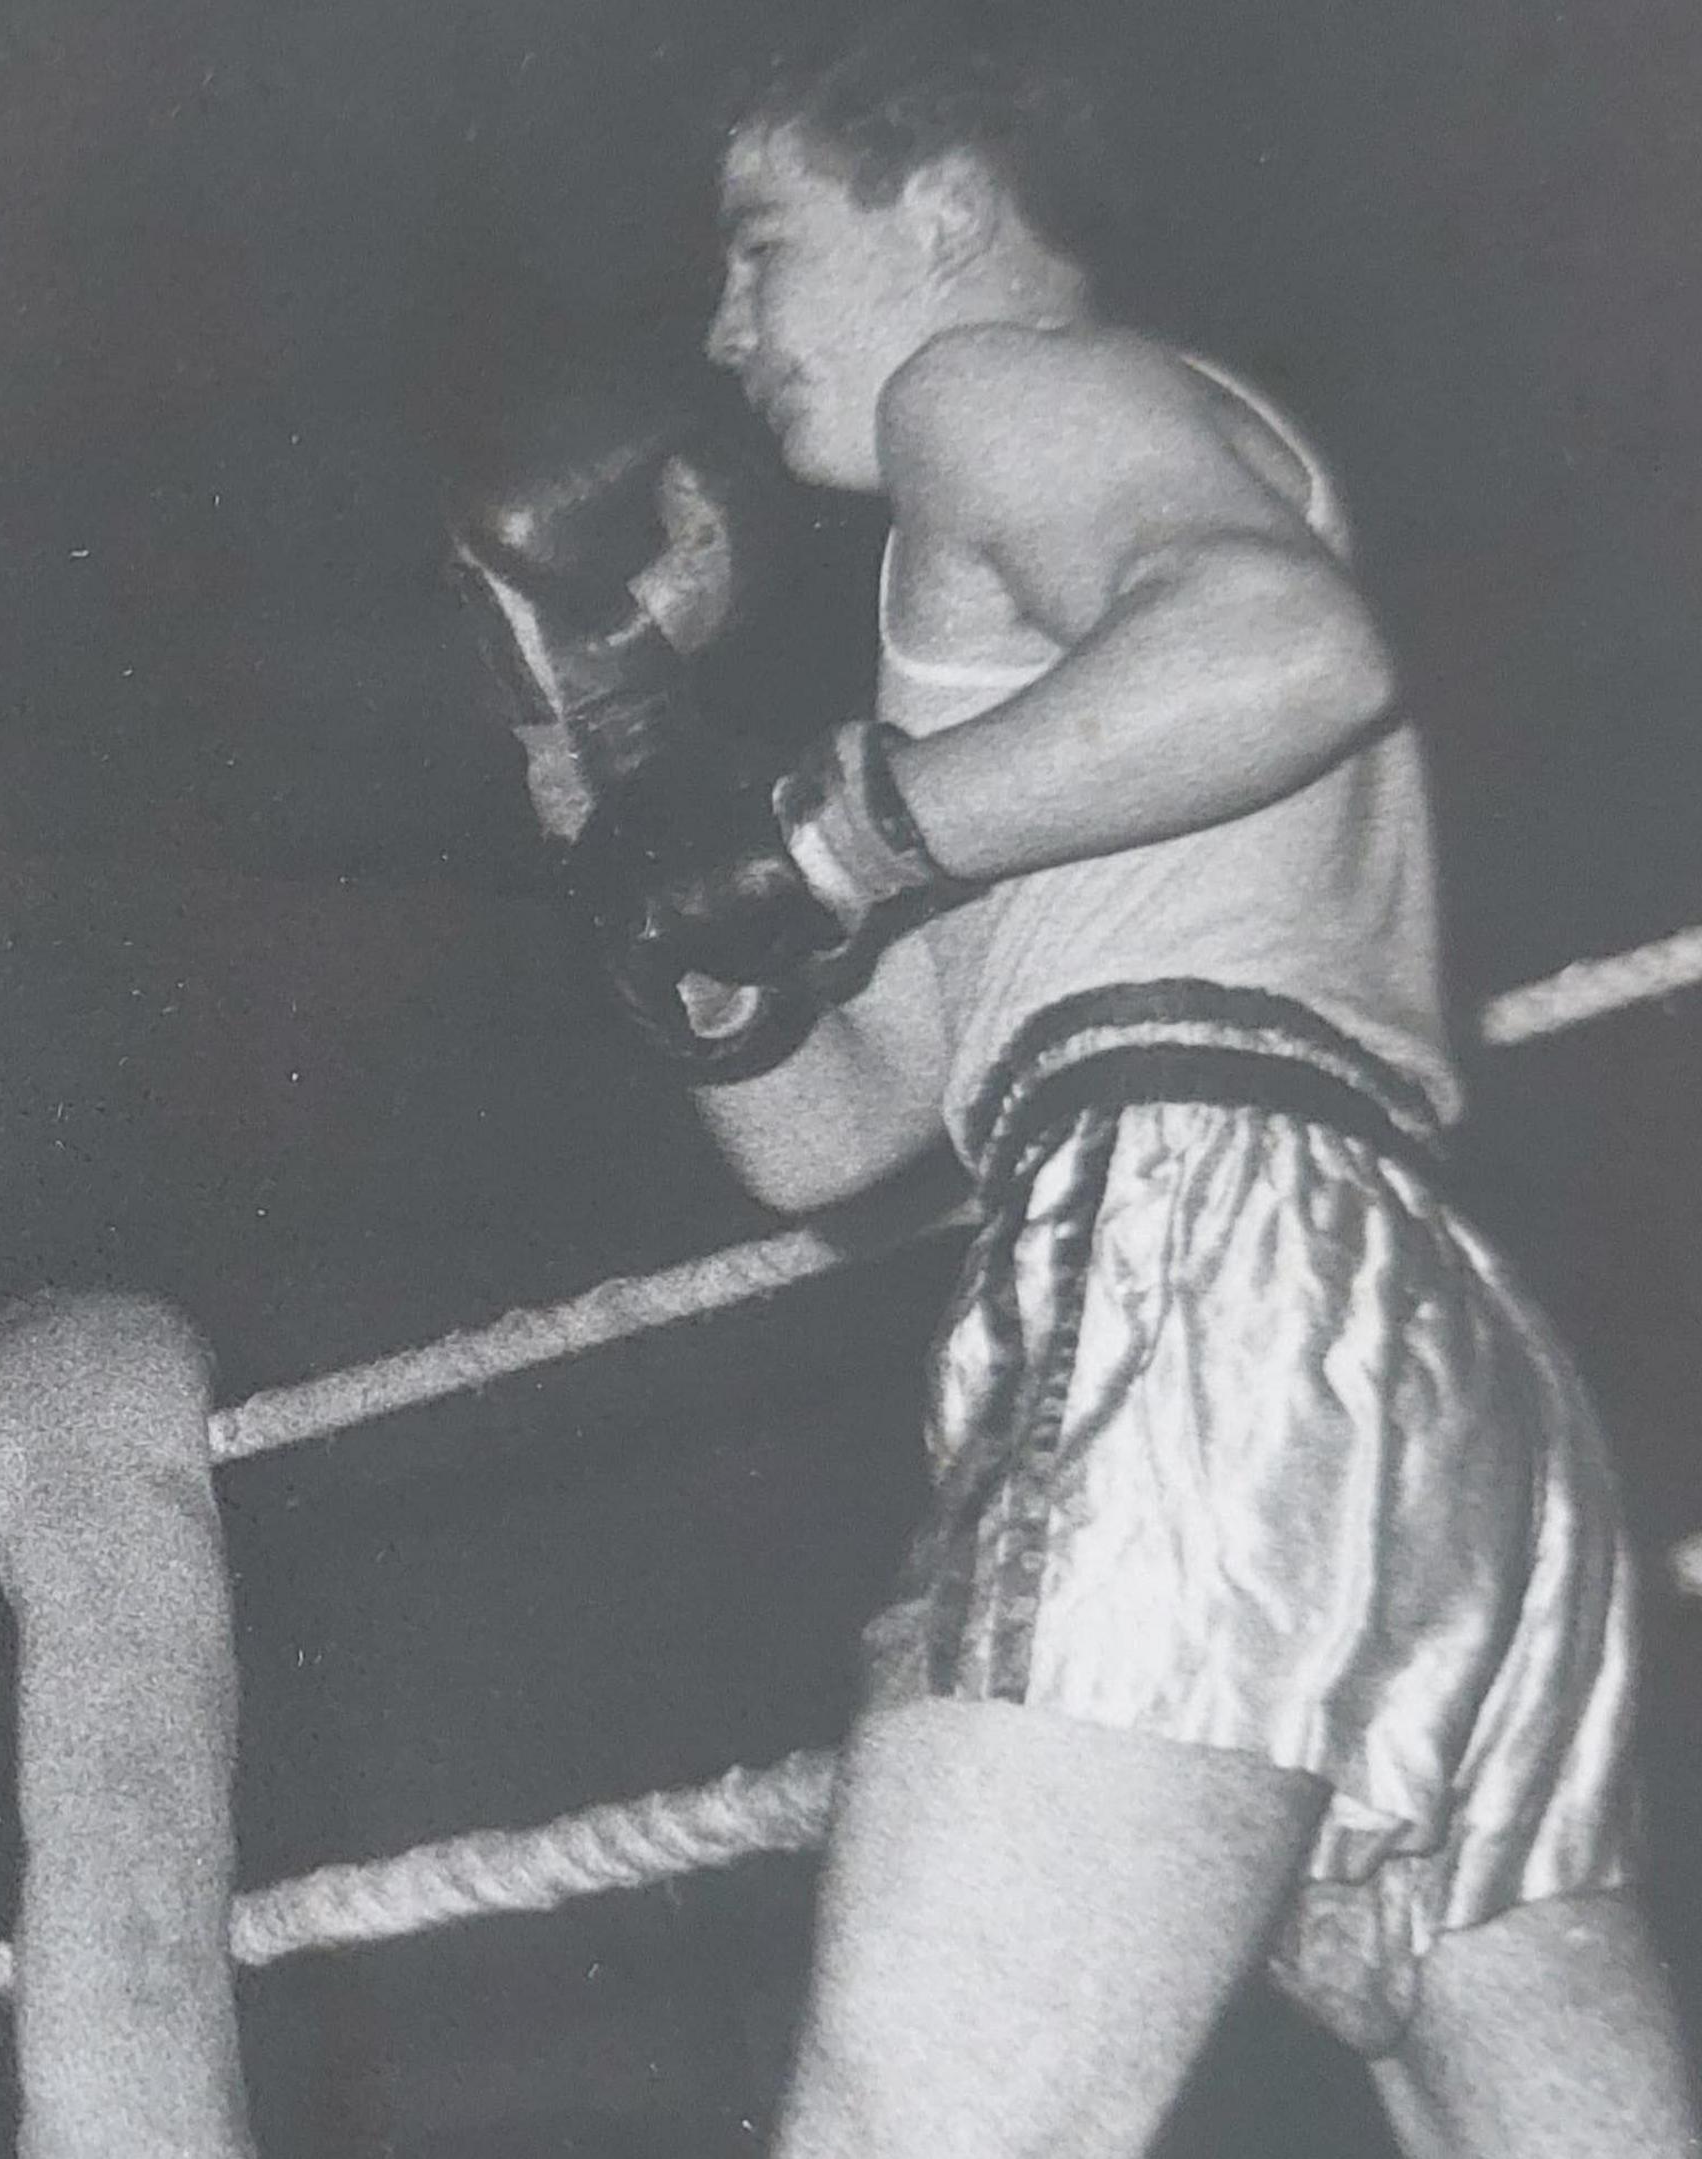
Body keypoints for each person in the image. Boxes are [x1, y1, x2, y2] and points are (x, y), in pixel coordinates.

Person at [454, 16, 1700, 2157]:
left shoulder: (988, 389)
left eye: (762, 247)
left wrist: (841, 840)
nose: (722, 327)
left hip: (1203, 1269)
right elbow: (831, 1132)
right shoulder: (1033, 664)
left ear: (944, 207)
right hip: (1415, 1351)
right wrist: (633, 798)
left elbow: (1288, 651)